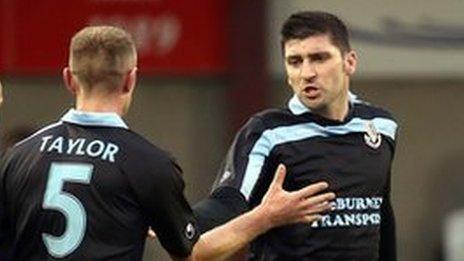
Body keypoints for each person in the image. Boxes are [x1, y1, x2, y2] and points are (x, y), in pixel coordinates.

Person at [0, 26, 335, 260]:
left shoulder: (17, 157)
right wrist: (267, 217)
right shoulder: (148, 163)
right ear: (131, 78)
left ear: (69, 79)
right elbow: (194, 254)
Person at [195, 11, 398, 260]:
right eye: (295, 61)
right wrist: (182, 221)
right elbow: (228, 201)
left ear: (350, 62)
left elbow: (381, 213)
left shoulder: (380, 125)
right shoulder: (268, 132)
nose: (307, 73)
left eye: (318, 58)